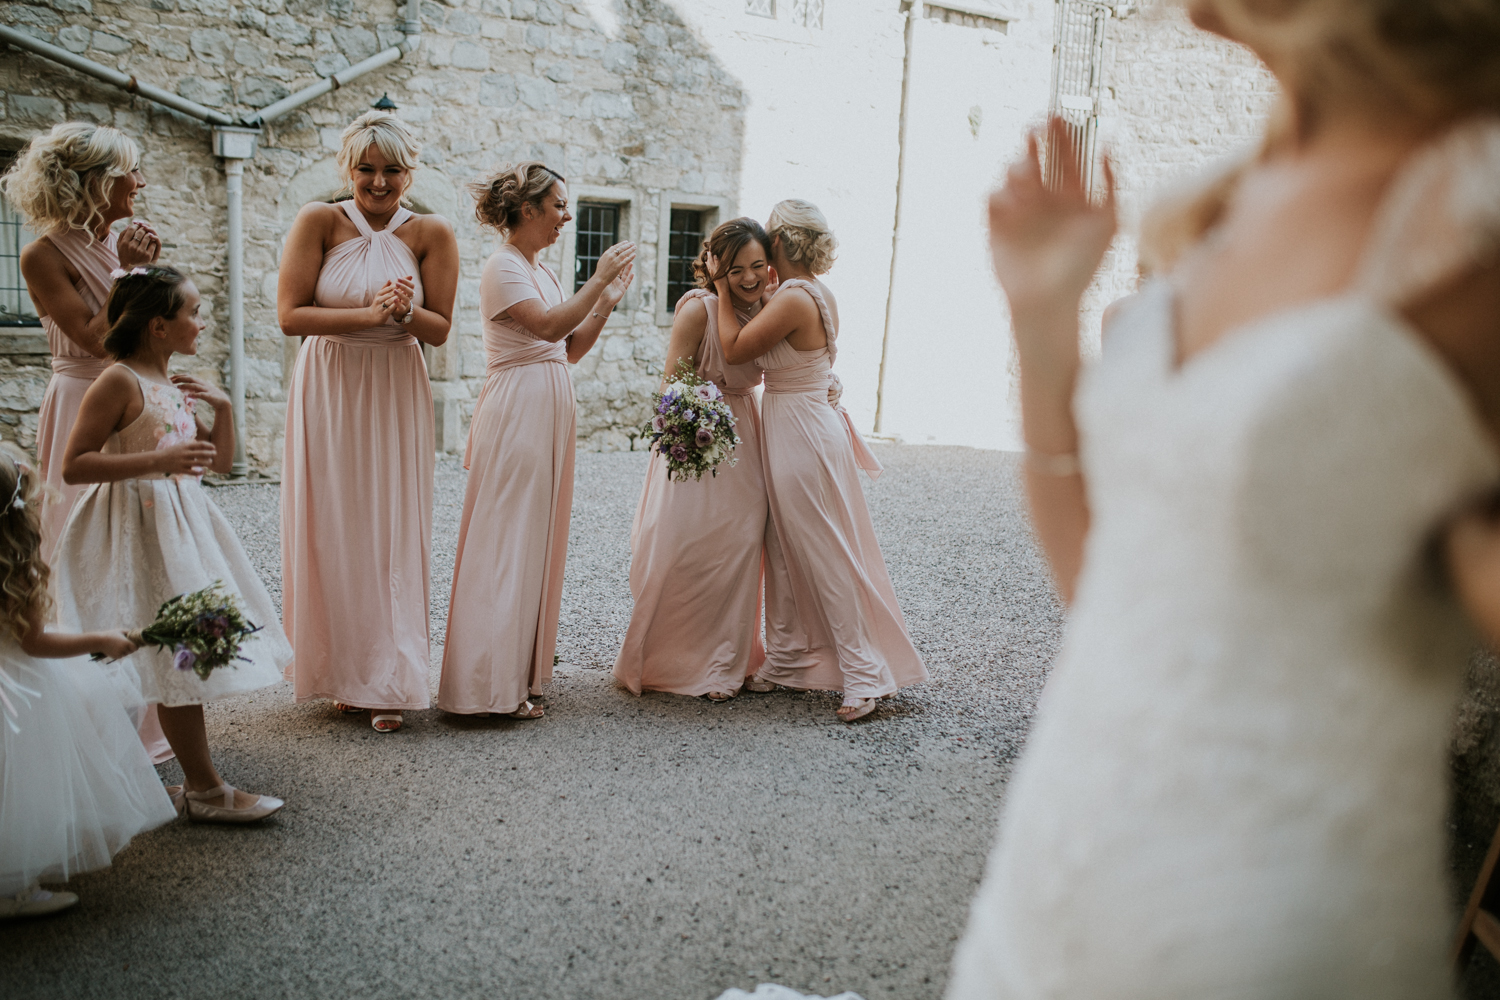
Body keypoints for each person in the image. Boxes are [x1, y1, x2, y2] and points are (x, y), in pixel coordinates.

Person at [946, 0, 1500, 995]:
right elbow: (1105, 588)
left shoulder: (1472, 209)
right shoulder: (1233, 197)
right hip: (1046, 886)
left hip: (1266, 932)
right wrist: (1043, 322)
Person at [54, 265, 288, 823]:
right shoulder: (119, 381)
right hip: (132, 531)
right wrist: (158, 461)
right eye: (194, 312)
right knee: (156, 654)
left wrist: (224, 409)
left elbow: (220, 463)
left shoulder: (169, 384)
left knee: (181, 654)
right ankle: (201, 789)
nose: (201, 323)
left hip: (182, 531)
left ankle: (198, 787)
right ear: (159, 325)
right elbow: (74, 465)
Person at [278, 112, 459, 733]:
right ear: (348, 169)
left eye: (392, 170)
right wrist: (365, 315)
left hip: (392, 383)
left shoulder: (432, 231)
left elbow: (441, 329)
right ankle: (340, 671)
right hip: (329, 382)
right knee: (334, 520)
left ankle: (390, 675)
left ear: (411, 171)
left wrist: (406, 313)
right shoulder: (318, 220)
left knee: (389, 522)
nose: (379, 183)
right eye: (367, 170)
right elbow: (289, 315)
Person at [715, 200, 927, 722]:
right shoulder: (804, 292)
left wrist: (721, 288)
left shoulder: (793, 297)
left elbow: (737, 348)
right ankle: (787, 657)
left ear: (782, 243)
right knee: (782, 546)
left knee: (822, 548)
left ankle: (864, 672)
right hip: (797, 420)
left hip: (802, 431)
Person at [3, 122, 173, 765]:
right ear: (96, 182)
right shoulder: (43, 253)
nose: (141, 182)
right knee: (81, 545)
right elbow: (95, 338)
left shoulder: (127, 240)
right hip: (81, 401)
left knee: (145, 544)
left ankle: (152, 711)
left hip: (137, 401)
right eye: (132, 171)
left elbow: (151, 334)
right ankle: (91, 721)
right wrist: (130, 272)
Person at [437, 163, 632, 718]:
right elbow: (546, 328)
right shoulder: (502, 266)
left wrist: (606, 300)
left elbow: (568, 349)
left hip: (546, 407)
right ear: (527, 210)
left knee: (532, 542)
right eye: (559, 206)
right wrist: (597, 278)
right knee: (505, 539)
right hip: (518, 409)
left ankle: (514, 674)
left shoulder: (539, 269)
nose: (566, 217)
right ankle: (482, 687)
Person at [0, 453, 176, 918]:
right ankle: (13, 888)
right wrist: (99, 638)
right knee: (21, 782)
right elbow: (33, 642)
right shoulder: (14, 568)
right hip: (16, 689)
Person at [612, 218, 773, 701]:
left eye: (758, 266)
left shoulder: (770, 308)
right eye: (737, 268)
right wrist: (695, 419)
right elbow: (671, 382)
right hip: (697, 436)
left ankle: (729, 659)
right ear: (714, 265)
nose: (749, 278)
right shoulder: (697, 311)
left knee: (741, 544)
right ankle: (673, 661)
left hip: (746, 433)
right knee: (683, 546)